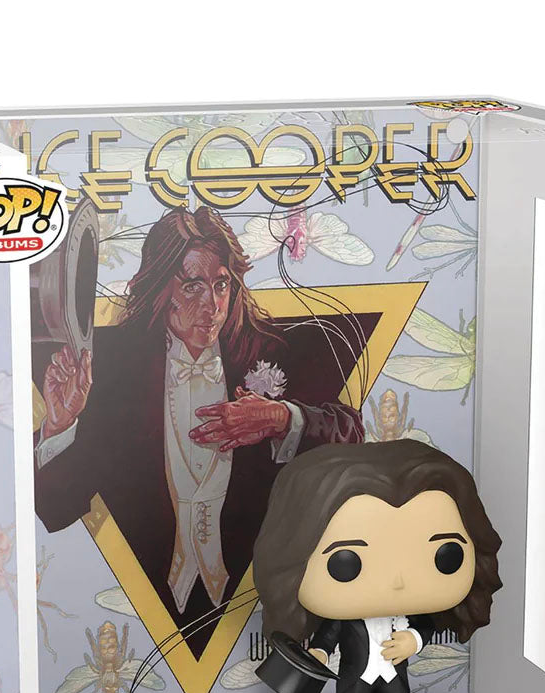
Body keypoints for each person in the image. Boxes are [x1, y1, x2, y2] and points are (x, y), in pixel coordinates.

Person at [33, 206, 364, 653]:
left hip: (252, 605)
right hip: (145, 611)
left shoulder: (273, 348)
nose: (212, 306)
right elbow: (54, 510)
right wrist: (60, 423)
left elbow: (352, 435)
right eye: (192, 286)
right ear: (158, 288)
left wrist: (281, 418)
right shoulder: (109, 366)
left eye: (221, 285)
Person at [253, 439, 502, 693]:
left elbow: (425, 626)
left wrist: (413, 640)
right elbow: (328, 635)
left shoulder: (409, 611)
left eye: (446, 556)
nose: (397, 581)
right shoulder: (345, 616)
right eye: (346, 563)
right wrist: (319, 652)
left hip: (393, 667)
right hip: (357, 671)